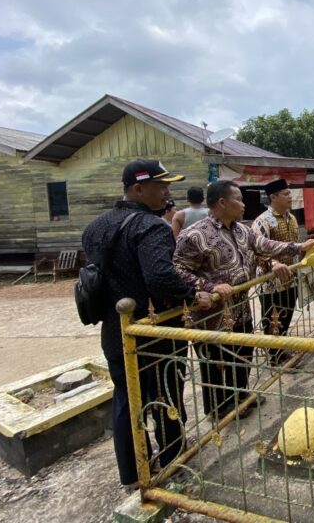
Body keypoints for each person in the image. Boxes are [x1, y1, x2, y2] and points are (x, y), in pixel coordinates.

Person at [81, 159, 213, 490]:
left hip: (116, 332)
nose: (168, 193)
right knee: (167, 394)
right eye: (161, 186)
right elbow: (160, 278)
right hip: (155, 332)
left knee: (127, 399)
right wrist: (194, 295)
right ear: (138, 189)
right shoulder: (150, 226)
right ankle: (171, 461)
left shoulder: (95, 227)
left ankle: (133, 472)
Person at [173, 180, 314, 420]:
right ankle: (219, 408)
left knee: (242, 353)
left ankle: (241, 395)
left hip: (240, 307)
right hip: (212, 315)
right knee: (216, 362)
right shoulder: (195, 234)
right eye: (238, 199)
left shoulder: (243, 230)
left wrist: (299, 247)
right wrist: (209, 287)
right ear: (222, 202)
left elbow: (265, 246)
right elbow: (177, 269)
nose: (243, 204)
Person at [251, 179, 302, 365]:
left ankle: (281, 349)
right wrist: (272, 263)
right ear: (273, 197)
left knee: (286, 314)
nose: (290, 197)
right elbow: (256, 249)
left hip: (291, 277)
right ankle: (274, 355)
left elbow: (295, 244)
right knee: (272, 317)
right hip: (271, 281)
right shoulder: (263, 221)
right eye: (286, 194)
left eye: (290, 193)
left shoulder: (292, 218)